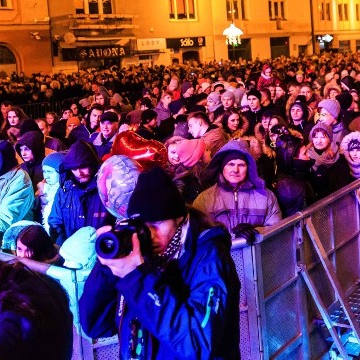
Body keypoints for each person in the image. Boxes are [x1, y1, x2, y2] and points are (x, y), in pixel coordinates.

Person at [79, 166, 241, 359]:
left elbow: (198, 345)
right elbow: (96, 325)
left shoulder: (209, 257)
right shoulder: (140, 257)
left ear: (179, 218)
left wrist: (136, 278)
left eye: (156, 225)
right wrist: (108, 266)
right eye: (143, 227)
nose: (150, 235)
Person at [193, 143, 282, 242]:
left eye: (241, 165)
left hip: (257, 254)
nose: (235, 170)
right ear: (222, 167)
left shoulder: (266, 196)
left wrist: (255, 232)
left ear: (248, 168)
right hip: (221, 256)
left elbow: (276, 231)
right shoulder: (204, 199)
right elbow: (197, 235)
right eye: (230, 164)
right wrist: (233, 237)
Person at [49, 140, 113, 244]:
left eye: (83, 166)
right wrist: (64, 250)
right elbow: (55, 223)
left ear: (93, 164)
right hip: (71, 255)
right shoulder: (64, 190)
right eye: (74, 168)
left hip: (102, 254)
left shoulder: (108, 188)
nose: (79, 173)